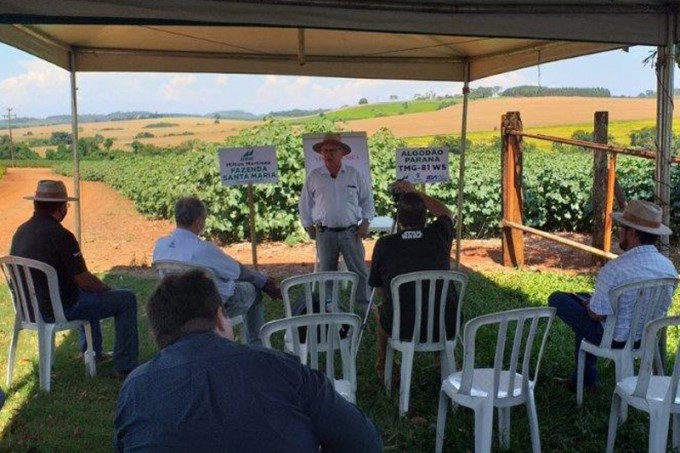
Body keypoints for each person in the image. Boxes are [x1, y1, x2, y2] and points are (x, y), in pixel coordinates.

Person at [114, 270, 383, 452]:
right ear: (220, 318)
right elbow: (365, 442)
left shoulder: (134, 388)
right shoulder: (282, 369)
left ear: (156, 332)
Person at [10, 180, 138, 378]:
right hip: (59, 309)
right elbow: (84, 280)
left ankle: (93, 352)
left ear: (36, 204)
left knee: (87, 293)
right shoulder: (61, 236)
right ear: (61, 208)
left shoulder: (21, 231)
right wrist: (106, 288)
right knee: (126, 299)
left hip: (31, 309)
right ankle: (125, 365)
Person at [550, 199, 677, 390]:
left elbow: (596, 315)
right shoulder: (669, 267)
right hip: (647, 335)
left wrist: (588, 305)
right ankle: (584, 380)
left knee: (558, 299)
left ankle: (584, 381)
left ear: (632, 233)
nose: (619, 233)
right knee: (588, 300)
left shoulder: (615, 269)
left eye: (621, 229)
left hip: (615, 339)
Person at [153, 196, 281, 346]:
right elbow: (238, 271)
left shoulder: (160, 246)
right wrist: (263, 282)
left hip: (177, 306)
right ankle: (256, 345)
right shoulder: (203, 249)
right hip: (213, 305)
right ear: (199, 221)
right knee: (253, 291)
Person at [368, 180, 458, 379]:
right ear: (426, 218)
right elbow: (447, 214)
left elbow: (380, 288)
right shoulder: (440, 236)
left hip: (403, 327)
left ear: (398, 220)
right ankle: (442, 364)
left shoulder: (385, 244)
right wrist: (415, 192)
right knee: (436, 303)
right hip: (445, 325)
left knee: (381, 309)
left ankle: (385, 368)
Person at [299, 132, 375, 306]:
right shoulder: (314, 176)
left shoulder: (353, 174)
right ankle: (330, 307)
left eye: (332, 150)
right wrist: (308, 226)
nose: (328, 155)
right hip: (324, 233)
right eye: (325, 151)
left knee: (359, 272)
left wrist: (366, 222)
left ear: (342, 153)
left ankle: (363, 307)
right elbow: (304, 204)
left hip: (351, 232)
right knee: (327, 274)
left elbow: (367, 200)